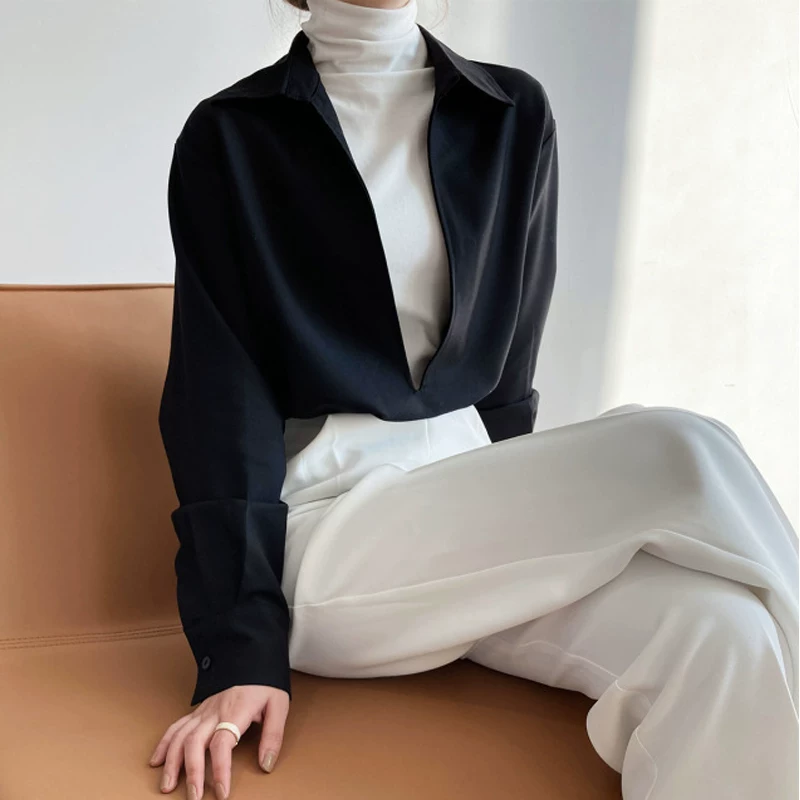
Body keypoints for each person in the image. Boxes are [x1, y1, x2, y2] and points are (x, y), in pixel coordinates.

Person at [149, 0, 800, 798]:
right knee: (681, 448)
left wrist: (534, 526)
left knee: (727, 636)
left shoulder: (513, 114)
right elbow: (218, 403)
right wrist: (239, 648)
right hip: (334, 538)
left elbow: (510, 375)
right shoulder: (231, 136)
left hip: (468, 519)